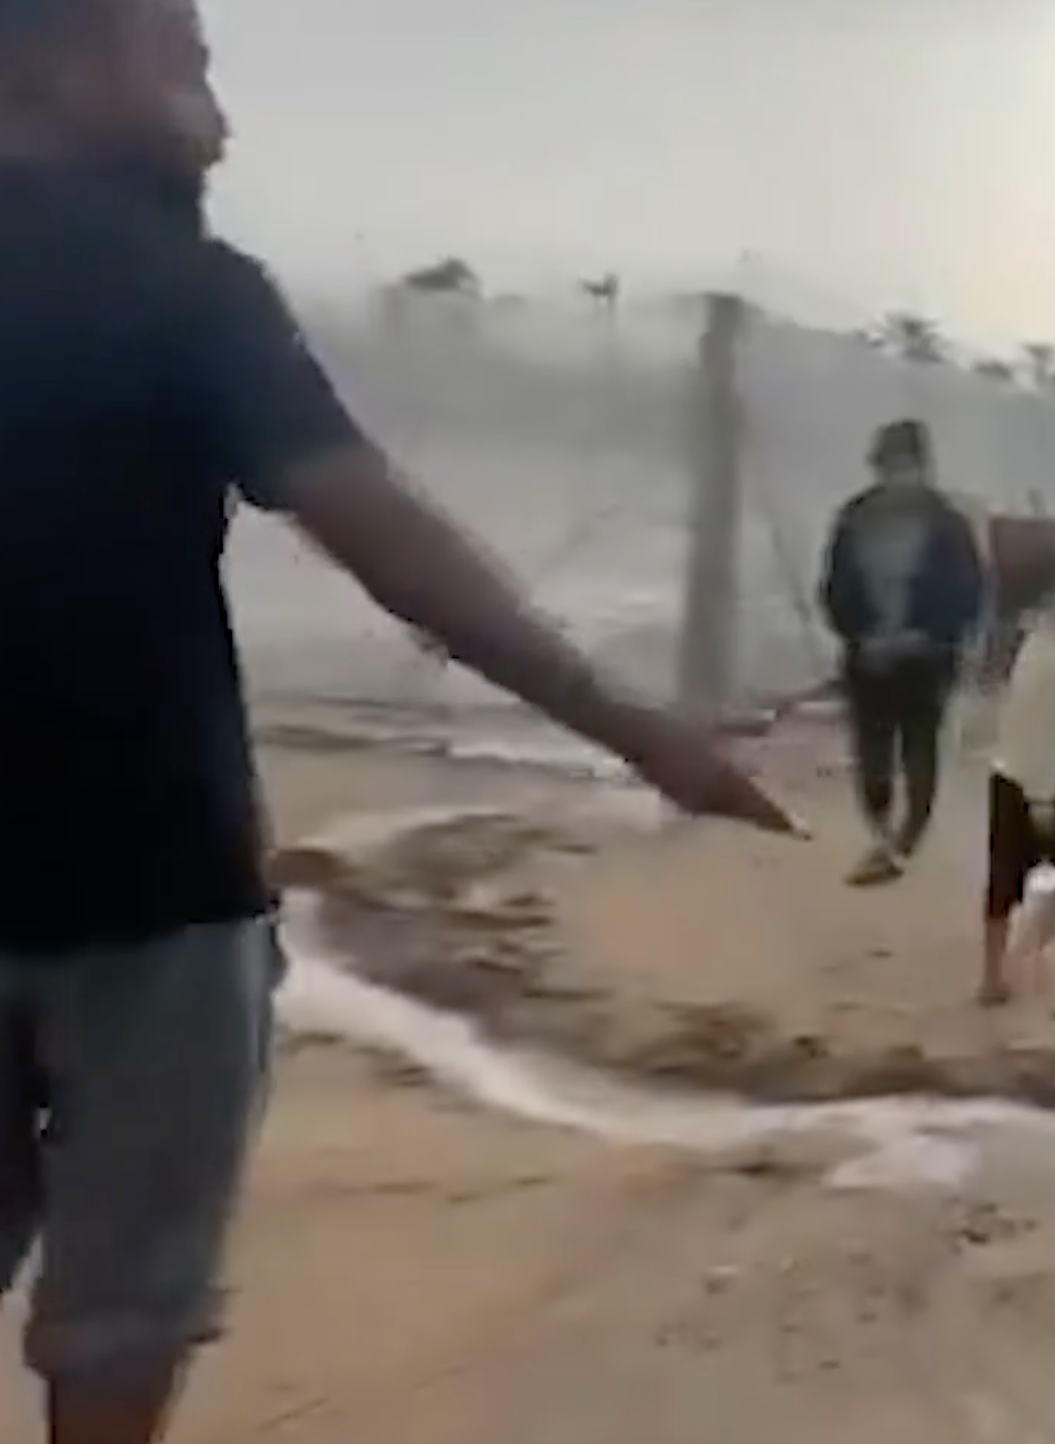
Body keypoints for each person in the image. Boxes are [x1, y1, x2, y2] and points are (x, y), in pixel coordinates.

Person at [0, 4, 794, 1442]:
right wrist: (639, 732)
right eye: (182, 64)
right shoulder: (188, 293)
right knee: (121, 1330)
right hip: (158, 895)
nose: (218, 113)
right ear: (56, 66)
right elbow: (394, 547)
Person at [819, 418, 987, 886]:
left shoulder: (949, 526)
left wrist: (928, 635)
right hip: (868, 659)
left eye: (908, 467)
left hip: (925, 661)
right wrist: (857, 636)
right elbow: (833, 590)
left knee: (920, 750)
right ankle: (881, 830)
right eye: (891, 467)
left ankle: (907, 839)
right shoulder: (853, 520)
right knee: (872, 758)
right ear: (879, 469)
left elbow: (968, 594)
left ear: (923, 468)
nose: (900, 477)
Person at [980, 549, 1055, 1007]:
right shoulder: (1040, 656)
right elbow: (1026, 732)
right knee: (1007, 881)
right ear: (1049, 601)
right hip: (1021, 781)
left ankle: (1025, 951)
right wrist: (1039, 801)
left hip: (1046, 778)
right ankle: (996, 976)